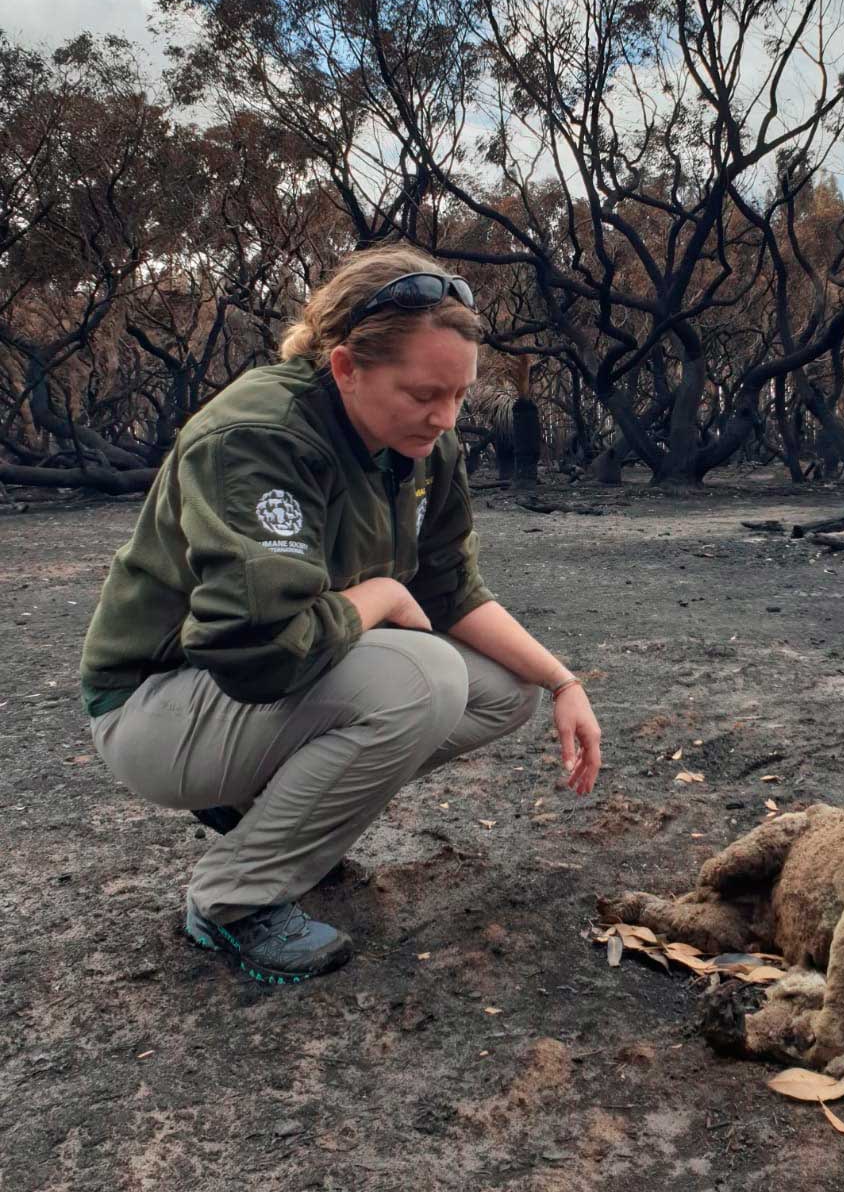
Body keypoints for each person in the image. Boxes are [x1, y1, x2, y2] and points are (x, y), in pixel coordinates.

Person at [80, 245, 602, 985]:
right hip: (155, 707)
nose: (445, 417)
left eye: (459, 396)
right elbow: (256, 652)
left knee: (501, 687)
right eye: (424, 392)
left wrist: (562, 683)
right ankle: (232, 902)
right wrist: (384, 597)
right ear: (346, 366)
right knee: (420, 676)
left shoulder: (423, 446)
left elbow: (452, 589)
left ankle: (257, 813)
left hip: (244, 701)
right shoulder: (258, 438)